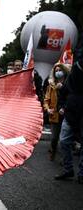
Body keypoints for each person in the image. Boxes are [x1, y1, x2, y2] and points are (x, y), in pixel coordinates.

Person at [54, 45, 83, 183]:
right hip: (70, 113)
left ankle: (82, 173)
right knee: (64, 141)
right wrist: (61, 106)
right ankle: (68, 169)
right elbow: (63, 93)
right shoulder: (73, 76)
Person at [43, 63, 70, 161]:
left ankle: (65, 160)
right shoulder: (51, 86)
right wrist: (47, 109)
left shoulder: (69, 83)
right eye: (56, 71)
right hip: (54, 115)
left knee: (65, 139)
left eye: (60, 70)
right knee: (54, 138)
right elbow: (46, 100)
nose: (58, 72)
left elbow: (70, 98)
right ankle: (53, 150)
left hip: (66, 115)